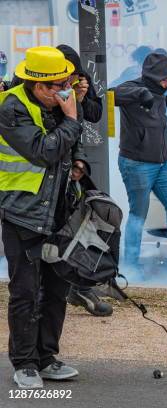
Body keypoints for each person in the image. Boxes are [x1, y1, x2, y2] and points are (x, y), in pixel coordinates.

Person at [0, 46, 85, 388]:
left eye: (66, 82)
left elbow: (69, 145)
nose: (65, 90)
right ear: (38, 86)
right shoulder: (10, 108)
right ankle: (25, 363)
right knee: (26, 291)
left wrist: (81, 162)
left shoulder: (56, 105)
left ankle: (47, 357)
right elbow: (43, 152)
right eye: (57, 85)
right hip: (22, 213)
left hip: (59, 211)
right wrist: (72, 119)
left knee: (56, 288)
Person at [113, 52, 167, 278]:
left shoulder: (160, 93)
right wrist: (140, 93)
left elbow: (154, 113)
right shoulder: (134, 88)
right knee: (138, 215)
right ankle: (131, 266)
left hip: (163, 164)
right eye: (165, 80)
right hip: (137, 164)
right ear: (152, 77)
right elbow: (110, 94)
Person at [55, 44, 113, 317]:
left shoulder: (81, 84)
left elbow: (93, 115)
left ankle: (77, 285)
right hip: (48, 163)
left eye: (74, 76)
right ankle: (56, 286)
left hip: (72, 160)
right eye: (64, 77)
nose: (69, 81)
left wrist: (82, 95)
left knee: (76, 222)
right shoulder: (42, 88)